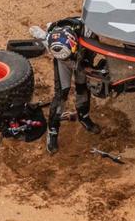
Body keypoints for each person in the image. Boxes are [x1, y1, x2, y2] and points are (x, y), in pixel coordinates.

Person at [43, 18, 101, 154]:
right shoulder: (50, 37)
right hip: (62, 62)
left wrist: (87, 62)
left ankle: (84, 117)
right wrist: (66, 60)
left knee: (83, 87)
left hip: (83, 54)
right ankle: (52, 131)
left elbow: (96, 45)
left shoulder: (88, 30)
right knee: (61, 94)